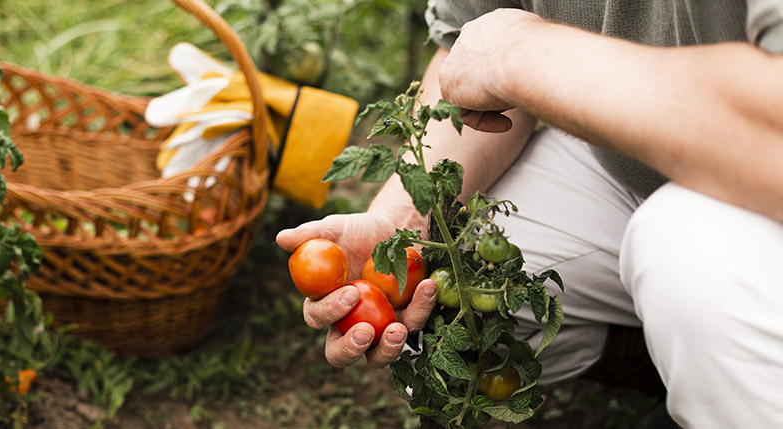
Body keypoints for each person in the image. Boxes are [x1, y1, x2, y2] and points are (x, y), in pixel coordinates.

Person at [277, 1, 783, 427]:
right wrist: (402, 224)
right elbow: (471, 57)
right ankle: (678, 366)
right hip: (625, 161)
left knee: (689, 253)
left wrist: (520, 53)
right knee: (443, 304)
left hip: (761, 184)